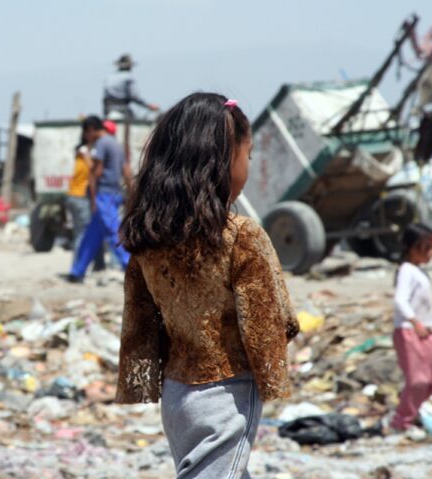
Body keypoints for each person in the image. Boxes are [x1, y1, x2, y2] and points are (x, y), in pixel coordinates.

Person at [116, 93, 298, 478]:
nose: (247, 168)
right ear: (224, 160)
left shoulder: (147, 240)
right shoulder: (241, 237)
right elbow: (271, 321)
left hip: (177, 396)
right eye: (246, 157)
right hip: (228, 393)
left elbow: (139, 323)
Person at [389, 224, 432, 432]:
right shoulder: (407, 270)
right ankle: (401, 421)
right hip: (410, 330)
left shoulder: (418, 271)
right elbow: (400, 300)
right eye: (426, 247)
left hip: (425, 331)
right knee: (417, 381)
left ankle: (410, 405)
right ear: (412, 248)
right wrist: (415, 321)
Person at [67, 116, 131, 283]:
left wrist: (94, 198)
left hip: (104, 195)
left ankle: (130, 267)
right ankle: (77, 271)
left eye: (86, 133)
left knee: (112, 231)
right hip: (115, 193)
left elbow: (96, 172)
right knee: (92, 234)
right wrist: (131, 192)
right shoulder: (116, 144)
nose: (86, 137)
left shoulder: (101, 143)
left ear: (90, 130)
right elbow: (126, 170)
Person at [66, 135, 105, 271]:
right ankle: (76, 269)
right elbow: (94, 170)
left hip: (75, 196)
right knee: (82, 235)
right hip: (80, 197)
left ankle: (98, 265)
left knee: (87, 232)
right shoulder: (85, 156)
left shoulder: (80, 155)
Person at [103, 54, 159, 120]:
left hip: (108, 110)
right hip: (122, 110)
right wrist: (148, 106)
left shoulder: (110, 77)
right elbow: (134, 97)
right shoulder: (129, 78)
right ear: (130, 66)